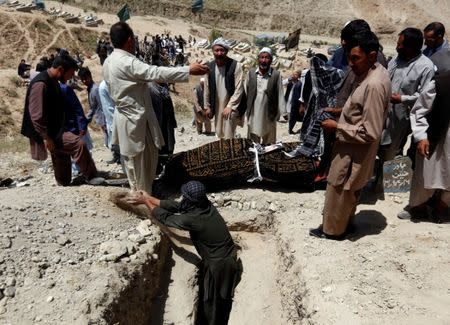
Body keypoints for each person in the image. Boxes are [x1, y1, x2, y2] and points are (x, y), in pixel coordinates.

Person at [102, 22, 209, 194]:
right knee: (142, 162)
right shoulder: (127, 62)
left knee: (132, 163)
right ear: (130, 40)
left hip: (124, 119)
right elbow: (155, 72)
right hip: (137, 121)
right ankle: (144, 199)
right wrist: (188, 70)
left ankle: (138, 193)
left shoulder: (108, 61)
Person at [309, 31, 392, 240]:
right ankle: (344, 225)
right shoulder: (377, 72)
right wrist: (342, 112)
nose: (350, 64)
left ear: (371, 56)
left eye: (355, 58)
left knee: (339, 191)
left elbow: (370, 131)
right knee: (349, 194)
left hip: (353, 151)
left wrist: (336, 127)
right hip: (355, 150)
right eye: (349, 57)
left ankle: (333, 231)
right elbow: (363, 110)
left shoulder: (373, 85)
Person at [126, 181, 240, 325]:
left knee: (213, 300)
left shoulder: (193, 219)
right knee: (215, 297)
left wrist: (145, 202)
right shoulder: (204, 204)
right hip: (224, 257)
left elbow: (166, 218)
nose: (182, 198)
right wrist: (149, 197)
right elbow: (178, 207)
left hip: (220, 265)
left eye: (185, 196)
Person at [21, 54, 98, 186]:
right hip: (49, 133)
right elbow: (36, 115)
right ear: (61, 70)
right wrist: (46, 138)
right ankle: (91, 176)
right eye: (70, 73)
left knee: (63, 172)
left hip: (56, 130)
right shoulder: (41, 84)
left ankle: (63, 181)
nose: (71, 77)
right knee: (78, 145)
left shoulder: (52, 81)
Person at [375, 28, 435, 191]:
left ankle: (385, 186)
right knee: (376, 144)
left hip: (402, 116)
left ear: (410, 47)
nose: (397, 47)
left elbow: (424, 96)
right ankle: (375, 179)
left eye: (400, 44)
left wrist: (401, 99)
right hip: (382, 110)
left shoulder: (426, 67)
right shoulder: (397, 59)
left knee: (392, 150)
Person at [398, 48, 450, 223]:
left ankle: (441, 209)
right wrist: (421, 136)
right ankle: (417, 208)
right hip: (435, 139)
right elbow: (419, 111)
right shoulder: (442, 82)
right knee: (425, 175)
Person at [204, 38, 245, 140]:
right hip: (217, 105)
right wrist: (207, 106)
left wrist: (230, 106)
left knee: (228, 135)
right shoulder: (209, 67)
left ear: (227, 51)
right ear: (213, 51)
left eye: (222, 50)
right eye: (216, 50)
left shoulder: (236, 66)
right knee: (219, 132)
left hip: (231, 106)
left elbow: (239, 88)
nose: (219, 53)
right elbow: (206, 88)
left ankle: (230, 153)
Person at [245, 47, 286, 144]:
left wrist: (284, 112)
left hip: (269, 112)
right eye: (262, 57)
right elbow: (246, 91)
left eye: (267, 58)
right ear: (258, 59)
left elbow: (280, 93)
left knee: (269, 140)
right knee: (253, 139)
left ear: (271, 60)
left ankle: (267, 156)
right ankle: (255, 157)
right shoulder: (251, 73)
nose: (264, 60)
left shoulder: (276, 75)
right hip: (254, 111)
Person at [78, 67, 108, 147]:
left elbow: (102, 106)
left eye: (85, 78)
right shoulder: (90, 89)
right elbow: (93, 108)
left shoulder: (95, 89)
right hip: (101, 119)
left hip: (104, 119)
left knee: (109, 141)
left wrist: (104, 122)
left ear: (90, 76)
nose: (84, 81)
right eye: (82, 79)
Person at [98, 80, 121, 165]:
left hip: (113, 118)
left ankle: (119, 158)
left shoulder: (105, 85)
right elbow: (107, 107)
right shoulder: (104, 85)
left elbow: (110, 108)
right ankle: (117, 157)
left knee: (116, 141)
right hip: (111, 118)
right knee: (113, 141)